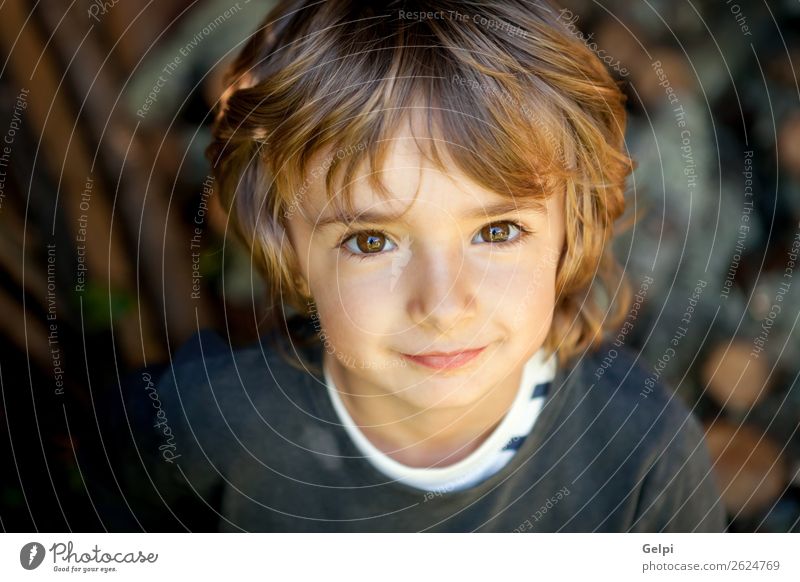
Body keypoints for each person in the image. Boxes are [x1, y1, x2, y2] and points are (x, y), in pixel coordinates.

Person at [112, 0, 727, 532]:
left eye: (497, 231)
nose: (441, 304)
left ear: (572, 233)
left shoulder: (643, 455)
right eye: (373, 242)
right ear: (289, 246)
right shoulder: (201, 427)